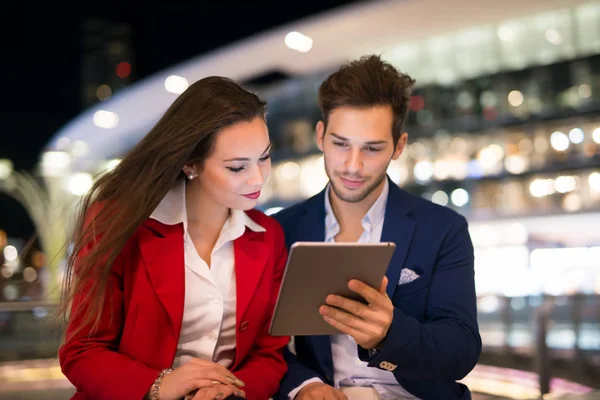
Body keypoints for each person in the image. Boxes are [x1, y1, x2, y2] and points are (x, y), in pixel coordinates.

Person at [57, 76, 289, 400]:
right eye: (237, 167)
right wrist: (159, 385)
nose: (259, 176)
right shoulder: (120, 224)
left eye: (264, 157)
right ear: (191, 164)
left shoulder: (268, 237)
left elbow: (268, 354)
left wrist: (230, 392)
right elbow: (81, 352)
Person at [273, 55, 481, 400]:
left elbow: (461, 349)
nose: (352, 166)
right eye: (340, 145)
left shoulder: (443, 229)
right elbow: (261, 347)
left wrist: (389, 334)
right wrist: (304, 385)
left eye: (371, 149)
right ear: (321, 136)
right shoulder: (283, 229)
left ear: (398, 146)